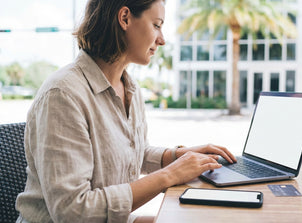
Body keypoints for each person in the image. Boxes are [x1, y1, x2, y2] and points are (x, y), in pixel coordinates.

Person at [15, 0, 237, 222]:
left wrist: (177, 156)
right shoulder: (63, 95)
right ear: (125, 18)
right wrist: (170, 174)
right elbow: (73, 211)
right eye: (157, 25)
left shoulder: (129, 87)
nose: (162, 40)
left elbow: (130, 154)